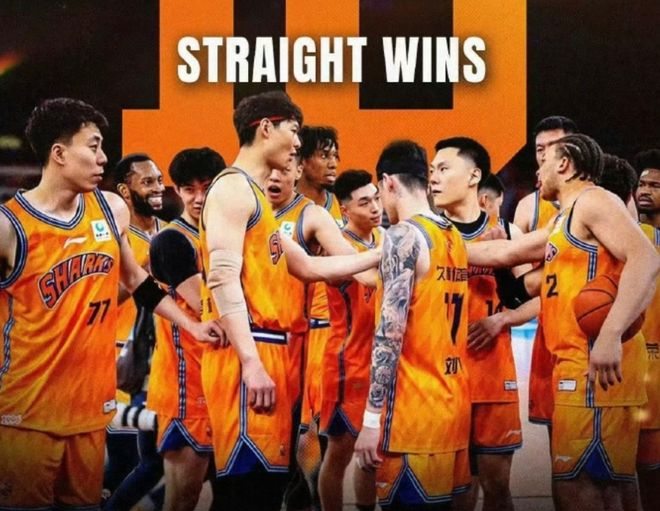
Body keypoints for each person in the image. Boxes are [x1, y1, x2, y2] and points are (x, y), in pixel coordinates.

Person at [0, 98, 220, 510]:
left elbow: (135, 280)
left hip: (90, 409)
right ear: (59, 153)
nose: (103, 158)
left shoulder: (110, 207)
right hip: (26, 415)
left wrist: (191, 325)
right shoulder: (9, 226)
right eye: (94, 146)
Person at [199, 91, 379, 511]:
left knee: (266, 489)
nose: (298, 142)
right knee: (248, 493)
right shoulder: (232, 188)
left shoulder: (258, 200)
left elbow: (310, 267)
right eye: (294, 131)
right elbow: (221, 277)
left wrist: (383, 254)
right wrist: (250, 362)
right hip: (253, 349)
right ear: (266, 128)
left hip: (276, 351)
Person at [467, 133, 659, 511]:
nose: (537, 171)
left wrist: (610, 334)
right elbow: (505, 252)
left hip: (593, 367)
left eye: (544, 162)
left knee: (578, 487)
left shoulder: (593, 200)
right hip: (580, 367)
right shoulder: (564, 219)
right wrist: (435, 245)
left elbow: (646, 257)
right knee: (607, 488)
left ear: (565, 164)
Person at [355, 140, 471, 510]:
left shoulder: (403, 236)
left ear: (388, 182)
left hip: (412, 419)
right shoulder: (453, 236)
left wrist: (371, 419)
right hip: (452, 409)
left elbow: (389, 334)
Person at [429, 137, 529, 511]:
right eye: (431, 171)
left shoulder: (508, 233)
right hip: (444, 379)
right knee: (456, 489)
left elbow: (540, 297)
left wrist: (503, 318)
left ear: (474, 176)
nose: (434, 178)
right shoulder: (427, 234)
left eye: (443, 169)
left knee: (497, 485)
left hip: (493, 374)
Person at [148, 147, 227, 511]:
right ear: (176, 191)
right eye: (188, 189)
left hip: (223, 382)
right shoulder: (172, 240)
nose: (198, 197)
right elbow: (210, 307)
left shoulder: (223, 236)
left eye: (206, 187)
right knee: (183, 497)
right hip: (186, 386)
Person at [104, 152, 167, 511]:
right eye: (147, 182)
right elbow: (106, 298)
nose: (157, 188)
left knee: (161, 460)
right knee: (128, 461)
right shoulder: (116, 238)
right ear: (125, 191)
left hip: (160, 364)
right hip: (120, 363)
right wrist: (140, 271)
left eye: (159, 180)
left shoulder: (170, 233)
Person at [318, 170, 382, 511]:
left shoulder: (384, 236)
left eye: (377, 198)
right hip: (348, 364)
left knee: (373, 454)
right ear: (345, 210)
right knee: (340, 452)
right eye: (364, 202)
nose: (375, 207)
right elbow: (369, 277)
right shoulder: (337, 247)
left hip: (381, 362)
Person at [295, 125, 344, 507]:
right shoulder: (281, 205)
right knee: (299, 432)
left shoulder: (337, 204)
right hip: (295, 332)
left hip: (332, 330)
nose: (333, 163)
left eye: (335, 155)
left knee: (326, 428)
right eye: (324, 155)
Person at [633, 149, 660, 511]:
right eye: (642, 183)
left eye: (655, 185)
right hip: (634, 365)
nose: (645, 190)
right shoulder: (627, 234)